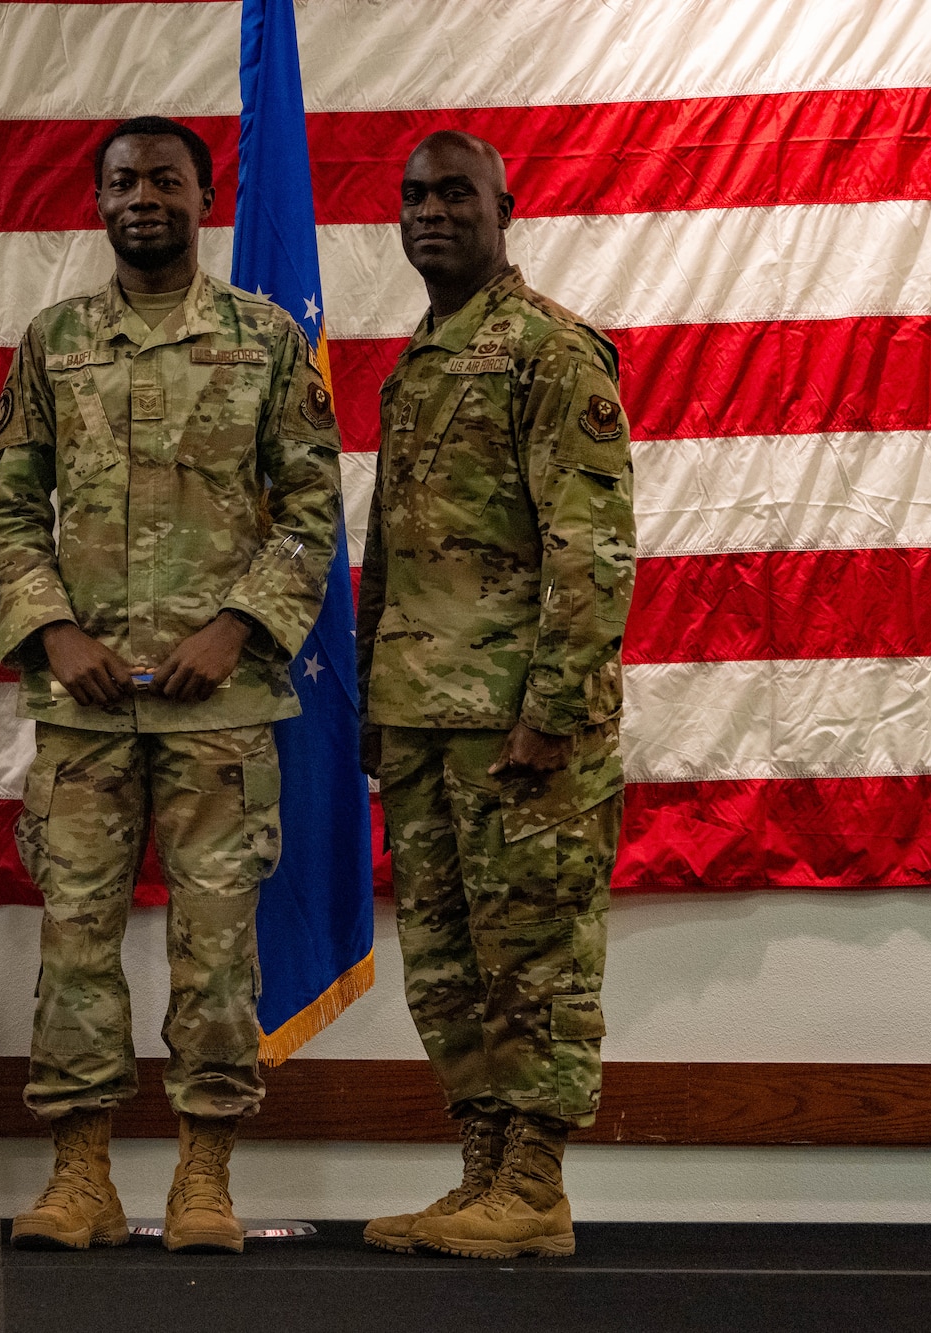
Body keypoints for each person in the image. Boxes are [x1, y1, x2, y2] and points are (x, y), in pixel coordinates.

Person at [0, 116, 341, 1255]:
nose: (145, 196)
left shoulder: (265, 339)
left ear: (204, 196)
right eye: (125, 180)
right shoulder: (55, 341)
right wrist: (49, 632)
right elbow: (5, 511)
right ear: (98, 200)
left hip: (220, 713)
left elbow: (312, 507)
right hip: (85, 711)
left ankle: (204, 1175)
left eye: (167, 180)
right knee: (75, 939)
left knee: (217, 945)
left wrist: (237, 625)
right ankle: (79, 1173)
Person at [357, 131, 636, 1260]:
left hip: (519, 730)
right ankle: (479, 1174)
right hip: (422, 721)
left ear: (501, 206)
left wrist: (550, 715)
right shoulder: (420, 357)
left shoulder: (549, 352)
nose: (430, 211)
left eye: (453, 193)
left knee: (535, 960)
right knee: (448, 964)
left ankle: (534, 1186)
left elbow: (592, 552)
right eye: (413, 196)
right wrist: (379, 709)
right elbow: (386, 552)